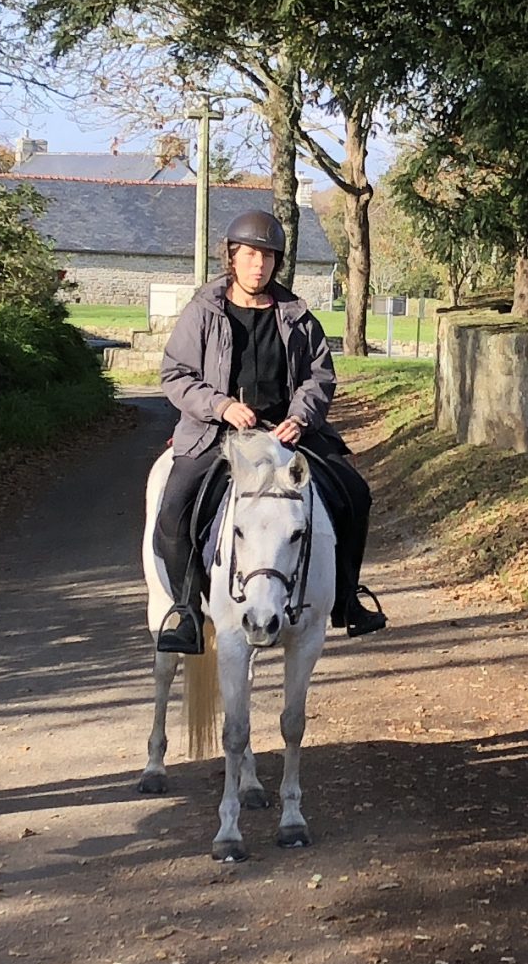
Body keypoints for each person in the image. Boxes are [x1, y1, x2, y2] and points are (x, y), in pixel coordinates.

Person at [152, 209, 386, 654]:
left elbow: (319, 376)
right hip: (214, 433)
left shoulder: (297, 314)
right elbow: (176, 374)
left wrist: (300, 417)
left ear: (277, 262)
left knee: (355, 493)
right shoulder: (203, 311)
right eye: (249, 255)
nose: (258, 265)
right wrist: (221, 405)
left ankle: (347, 599)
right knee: (174, 509)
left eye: (268, 257)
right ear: (232, 258)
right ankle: (185, 611)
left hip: (285, 432)